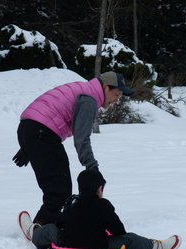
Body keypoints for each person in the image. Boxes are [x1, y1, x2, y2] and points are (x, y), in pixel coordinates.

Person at [13, 72, 134, 225]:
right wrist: (92, 167)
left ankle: (50, 225)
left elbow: (46, 113)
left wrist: (27, 146)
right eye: (116, 94)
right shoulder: (89, 99)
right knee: (59, 190)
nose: (117, 100)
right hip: (42, 134)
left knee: (59, 185)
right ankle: (42, 228)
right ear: (105, 87)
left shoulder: (84, 89)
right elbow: (81, 139)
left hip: (29, 129)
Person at [18, 169, 182, 249]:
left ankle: (34, 233)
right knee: (129, 239)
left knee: (50, 230)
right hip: (98, 247)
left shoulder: (70, 202)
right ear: (100, 189)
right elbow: (119, 231)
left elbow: (59, 224)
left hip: (67, 244)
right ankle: (156, 247)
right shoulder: (104, 205)